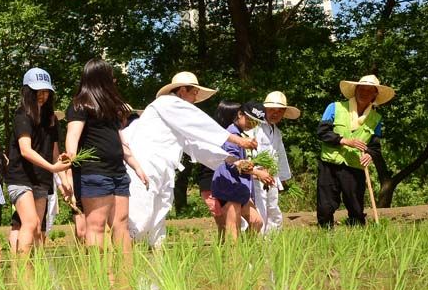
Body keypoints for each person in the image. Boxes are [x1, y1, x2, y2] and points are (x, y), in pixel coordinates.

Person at [125, 72, 258, 247]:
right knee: (139, 219)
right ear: (182, 91)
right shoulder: (167, 103)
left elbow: (197, 146)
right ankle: (121, 260)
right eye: (194, 93)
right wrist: (237, 140)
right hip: (145, 167)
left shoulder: (177, 118)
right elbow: (201, 123)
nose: (196, 99)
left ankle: (154, 262)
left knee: (157, 221)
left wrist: (231, 160)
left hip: (162, 170)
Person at [65, 59, 149, 254]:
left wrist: (136, 166)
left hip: (117, 172)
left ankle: (126, 272)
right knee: (96, 225)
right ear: (100, 79)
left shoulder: (111, 109)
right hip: (93, 172)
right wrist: (68, 166)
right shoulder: (79, 106)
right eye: (111, 77)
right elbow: (72, 138)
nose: (114, 81)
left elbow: (121, 143)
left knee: (121, 223)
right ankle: (98, 272)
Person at [6, 69, 72, 254]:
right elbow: (25, 150)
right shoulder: (22, 115)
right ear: (27, 91)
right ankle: (22, 266)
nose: (42, 95)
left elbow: (55, 153)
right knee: (30, 222)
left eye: (46, 91)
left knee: (37, 228)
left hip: (42, 179)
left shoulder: (51, 120)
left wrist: (63, 181)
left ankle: (34, 266)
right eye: (37, 91)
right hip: (21, 177)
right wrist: (52, 167)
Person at [316, 74, 393, 227]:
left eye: (369, 91)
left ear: (374, 95)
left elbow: (375, 147)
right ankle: (325, 234)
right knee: (325, 207)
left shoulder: (376, 118)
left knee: (356, 207)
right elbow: (322, 132)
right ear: (355, 90)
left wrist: (370, 155)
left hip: (355, 166)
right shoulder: (334, 107)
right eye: (361, 89)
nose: (364, 93)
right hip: (329, 164)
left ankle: (358, 235)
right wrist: (345, 141)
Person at [211, 102, 271, 240]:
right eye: (250, 120)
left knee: (257, 222)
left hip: (239, 188)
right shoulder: (232, 133)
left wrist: (256, 169)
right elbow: (232, 162)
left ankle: (246, 250)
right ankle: (235, 253)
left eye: (256, 122)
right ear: (240, 114)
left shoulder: (240, 134)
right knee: (233, 230)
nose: (252, 124)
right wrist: (257, 172)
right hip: (228, 186)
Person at [253, 91, 298, 233]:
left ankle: (271, 240)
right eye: (272, 110)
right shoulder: (256, 128)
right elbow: (251, 152)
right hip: (257, 175)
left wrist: (282, 176)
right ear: (265, 109)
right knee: (259, 208)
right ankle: (257, 240)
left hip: (272, 175)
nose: (275, 114)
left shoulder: (276, 131)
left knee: (272, 208)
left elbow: (280, 154)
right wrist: (257, 171)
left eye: (279, 111)